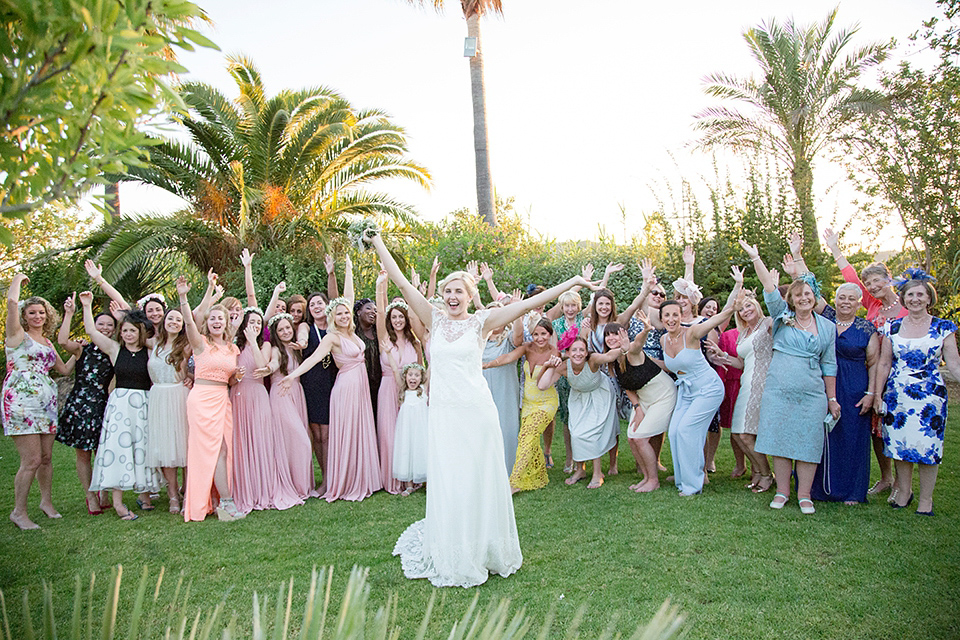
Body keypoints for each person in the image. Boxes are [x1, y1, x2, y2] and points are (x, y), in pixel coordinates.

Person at [368, 226, 598, 587]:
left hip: (476, 412)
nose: (452, 295)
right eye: (447, 291)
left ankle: (483, 548)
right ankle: (452, 545)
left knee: (477, 478)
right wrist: (377, 241)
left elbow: (531, 305)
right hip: (444, 414)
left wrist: (574, 282)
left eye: (458, 290)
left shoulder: (483, 322)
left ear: (469, 293)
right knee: (451, 477)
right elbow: (400, 282)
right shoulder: (433, 318)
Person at [739, 240, 838, 515]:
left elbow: (829, 364)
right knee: (779, 441)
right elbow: (770, 289)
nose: (804, 298)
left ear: (814, 296)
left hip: (811, 393)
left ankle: (804, 495)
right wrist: (756, 257)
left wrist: (831, 398)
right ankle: (783, 491)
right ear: (791, 300)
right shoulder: (781, 318)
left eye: (808, 294)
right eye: (798, 295)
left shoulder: (827, 328)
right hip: (779, 391)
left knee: (808, 442)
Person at [280, 255, 381, 502]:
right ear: (333, 317)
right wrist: (292, 376)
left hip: (360, 389)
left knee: (360, 431)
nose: (344, 316)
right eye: (339, 314)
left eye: (346, 313)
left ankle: (363, 476)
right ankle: (344, 481)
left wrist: (347, 268)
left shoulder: (355, 334)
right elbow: (312, 359)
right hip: (345, 388)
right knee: (346, 433)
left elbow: (347, 295)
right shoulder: (331, 338)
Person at [822, 228, 905, 497]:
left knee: (897, 427)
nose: (872, 287)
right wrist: (835, 249)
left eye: (877, 281)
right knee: (874, 430)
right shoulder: (872, 306)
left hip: (900, 372)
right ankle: (886, 477)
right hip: (875, 371)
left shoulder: (908, 304)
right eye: (868, 284)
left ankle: (904, 485)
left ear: (888, 279)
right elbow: (850, 280)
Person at [875, 277, 960, 516]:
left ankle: (926, 500)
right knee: (901, 445)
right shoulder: (893, 327)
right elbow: (884, 363)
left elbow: (953, 364)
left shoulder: (943, 327)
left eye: (920, 295)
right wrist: (878, 395)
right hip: (898, 395)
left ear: (929, 298)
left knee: (927, 446)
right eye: (910, 295)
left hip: (930, 397)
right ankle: (904, 493)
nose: (915, 299)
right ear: (903, 298)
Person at [660, 267, 743, 497]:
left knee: (687, 430)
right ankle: (682, 477)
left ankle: (693, 484)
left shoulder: (693, 332)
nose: (671, 319)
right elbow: (670, 366)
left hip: (708, 388)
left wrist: (733, 305)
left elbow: (716, 318)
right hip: (687, 391)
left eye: (675, 315)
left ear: (681, 315)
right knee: (675, 431)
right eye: (666, 315)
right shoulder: (663, 338)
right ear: (662, 318)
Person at [81, 293, 161, 519]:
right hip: (121, 406)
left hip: (144, 403)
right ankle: (117, 502)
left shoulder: (149, 350)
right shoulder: (115, 350)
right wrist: (87, 306)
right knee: (119, 450)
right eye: (124, 330)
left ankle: (144, 496)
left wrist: (130, 316)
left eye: (132, 330)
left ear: (140, 332)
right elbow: (92, 331)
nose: (127, 334)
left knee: (143, 447)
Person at [4, 275, 75, 529]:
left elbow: (65, 370)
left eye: (41, 312)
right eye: (32, 312)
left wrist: (77, 350)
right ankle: (19, 512)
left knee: (45, 457)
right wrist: (16, 281)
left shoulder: (46, 342)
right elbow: (12, 303)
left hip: (46, 402)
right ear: (24, 316)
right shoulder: (17, 334)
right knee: (31, 460)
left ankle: (46, 502)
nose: (37, 316)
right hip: (21, 401)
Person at [177, 277, 245, 522]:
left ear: (227, 323)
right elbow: (187, 321)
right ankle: (225, 503)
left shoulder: (231, 348)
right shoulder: (201, 343)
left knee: (223, 450)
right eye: (213, 318)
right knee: (214, 451)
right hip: (202, 399)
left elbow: (231, 381)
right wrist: (183, 298)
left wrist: (236, 375)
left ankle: (219, 500)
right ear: (207, 323)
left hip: (222, 399)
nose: (217, 321)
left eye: (221, 318)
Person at [810, 283, 879, 505]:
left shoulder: (866, 329)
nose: (846, 302)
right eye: (842, 297)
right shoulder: (826, 318)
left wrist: (871, 393)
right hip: (823, 384)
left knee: (853, 438)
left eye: (851, 298)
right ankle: (820, 488)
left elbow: (875, 363)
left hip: (855, 389)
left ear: (859, 303)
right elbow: (811, 287)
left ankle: (853, 491)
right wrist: (798, 256)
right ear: (836, 299)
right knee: (824, 436)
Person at [231, 308, 302, 513]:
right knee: (242, 443)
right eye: (250, 322)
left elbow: (262, 364)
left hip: (258, 395)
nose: (254, 325)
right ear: (244, 324)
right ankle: (245, 489)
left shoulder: (266, 345)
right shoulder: (235, 346)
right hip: (238, 396)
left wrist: (254, 340)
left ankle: (263, 488)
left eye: (257, 323)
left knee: (260, 441)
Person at [706, 292, 774, 493]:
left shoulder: (768, 324)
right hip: (747, 382)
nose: (746, 311)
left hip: (762, 382)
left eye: (749, 306)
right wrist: (723, 356)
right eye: (742, 308)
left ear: (756, 305)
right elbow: (742, 363)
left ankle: (766, 475)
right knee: (737, 434)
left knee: (745, 433)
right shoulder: (744, 333)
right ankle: (762, 473)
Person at [55, 294, 115, 515]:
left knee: (103, 450)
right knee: (83, 453)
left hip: (103, 403)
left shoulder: (113, 350)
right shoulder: (83, 349)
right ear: (94, 325)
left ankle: (104, 490)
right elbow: (62, 342)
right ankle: (90, 495)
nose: (106, 328)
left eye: (110, 325)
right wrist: (69, 313)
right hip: (81, 403)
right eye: (101, 324)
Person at [484, 319, 560, 493]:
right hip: (527, 403)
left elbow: (543, 384)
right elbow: (508, 357)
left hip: (545, 402)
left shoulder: (554, 353)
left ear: (550, 334)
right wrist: (488, 364)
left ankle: (515, 483)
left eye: (543, 334)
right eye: (536, 334)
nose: (540, 338)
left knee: (527, 436)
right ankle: (538, 474)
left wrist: (548, 365)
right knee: (528, 439)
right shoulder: (527, 348)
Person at [603, 321, 677, 493]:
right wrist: (638, 408)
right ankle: (646, 476)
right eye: (608, 335)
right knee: (632, 437)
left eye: (616, 333)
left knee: (641, 438)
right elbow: (626, 386)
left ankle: (653, 480)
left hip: (663, 395)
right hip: (644, 399)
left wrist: (645, 330)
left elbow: (638, 344)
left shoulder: (632, 352)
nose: (611, 338)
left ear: (624, 335)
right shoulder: (613, 360)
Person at [537, 337, 619, 489]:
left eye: (582, 350)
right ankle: (580, 470)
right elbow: (542, 385)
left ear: (587, 352)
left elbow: (608, 357)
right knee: (575, 432)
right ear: (567, 352)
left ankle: (597, 473)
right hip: (578, 398)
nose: (578, 353)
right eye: (574, 350)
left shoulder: (592, 360)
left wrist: (625, 347)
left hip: (599, 394)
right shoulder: (563, 367)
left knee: (592, 433)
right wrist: (548, 366)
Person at [375, 271, 423, 494]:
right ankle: (394, 478)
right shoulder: (385, 338)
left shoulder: (416, 343)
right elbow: (381, 312)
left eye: (400, 317)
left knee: (412, 434)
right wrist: (380, 287)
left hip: (413, 395)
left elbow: (421, 371)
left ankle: (413, 477)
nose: (397, 320)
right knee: (390, 435)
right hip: (388, 390)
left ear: (406, 318)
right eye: (393, 317)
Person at [146, 308, 191, 514]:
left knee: (185, 446)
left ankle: (188, 491)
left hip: (179, 394)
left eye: (178, 320)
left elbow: (194, 367)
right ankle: (172, 495)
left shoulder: (186, 345)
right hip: (158, 397)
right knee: (166, 448)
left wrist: (190, 376)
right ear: (164, 321)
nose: (174, 322)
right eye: (170, 318)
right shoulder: (152, 344)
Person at [267, 313, 316, 500]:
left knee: (294, 443)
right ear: (275, 333)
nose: (286, 331)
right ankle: (291, 485)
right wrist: (269, 369)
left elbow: (304, 330)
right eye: (281, 329)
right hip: (281, 395)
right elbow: (273, 364)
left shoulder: (296, 348)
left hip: (297, 393)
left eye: (288, 328)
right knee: (301, 441)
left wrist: (302, 341)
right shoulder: (275, 350)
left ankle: (300, 485)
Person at [297, 291, 337, 493]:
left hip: (332, 383)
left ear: (326, 305)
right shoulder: (306, 327)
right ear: (309, 310)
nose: (316, 306)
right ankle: (324, 479)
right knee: (318, 434)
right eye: (312, 305)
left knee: (329, 433)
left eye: (319, 302)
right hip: (312, 384)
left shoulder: (334, 327)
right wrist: (302, 343)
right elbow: (303, 338)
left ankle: (333, 479)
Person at [481, 301, 522, 473]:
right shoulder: (479, 339)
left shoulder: (508, 338)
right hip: (481, 391)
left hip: (504, 391)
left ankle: (508, 470)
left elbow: (519, 338)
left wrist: (518, 309)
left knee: (506, 428)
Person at [391, 362, 429, 495]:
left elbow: (430, 369)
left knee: (421, 451)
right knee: (406, 451)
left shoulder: (423, 390)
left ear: (421, 378)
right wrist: (389, 354)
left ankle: (427, 482)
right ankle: (409, 485)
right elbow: (395, 370)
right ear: (405, 376)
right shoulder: (403, 392)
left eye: (417, 375)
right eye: (410, 375)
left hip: (421, 429)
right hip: (406, 429)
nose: (413, 378)